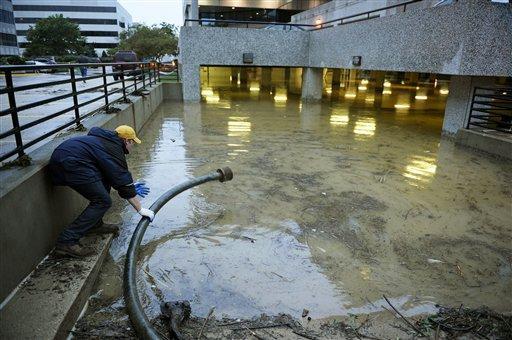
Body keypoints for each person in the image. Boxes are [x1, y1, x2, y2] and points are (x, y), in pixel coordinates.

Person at [49, 125, 155, 258]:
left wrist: (129, 185)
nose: (132, 146)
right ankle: (66, 242)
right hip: (70, 163)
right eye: (132, 142)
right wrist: (140, 209)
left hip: (66, 158)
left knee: (105, 184)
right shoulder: (113, 149)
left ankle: (95, 225)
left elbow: (112, 174)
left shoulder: (105, 141)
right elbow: (120, 176)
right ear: (126, 141)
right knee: (103, 201)